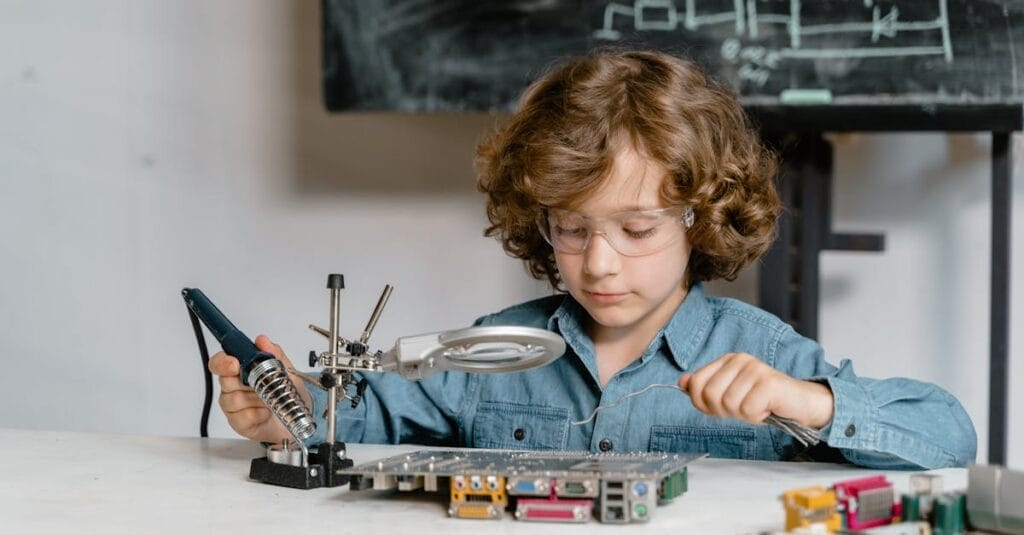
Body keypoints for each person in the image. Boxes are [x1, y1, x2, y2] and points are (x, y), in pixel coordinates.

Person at [209, 49, 976, 469]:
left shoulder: (763, 356)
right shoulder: (491, 350)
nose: (599, 264)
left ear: (699, 215)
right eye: (570, 229)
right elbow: (360, 419)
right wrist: (287, 409)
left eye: (636, 229)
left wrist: (811, 402)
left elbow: (948, 436)